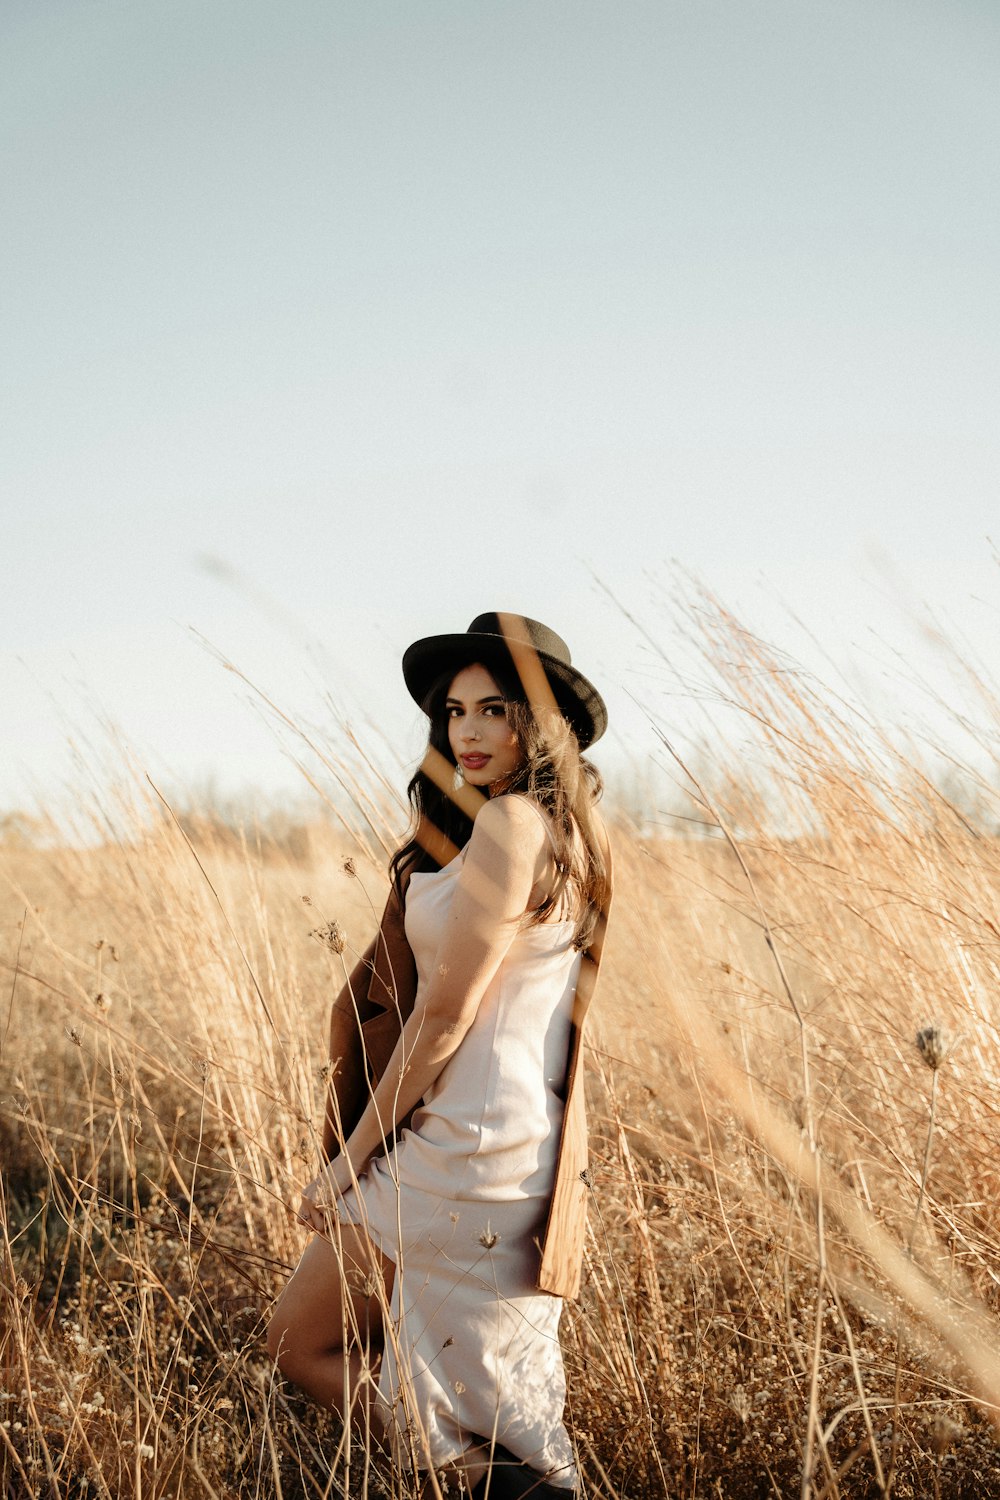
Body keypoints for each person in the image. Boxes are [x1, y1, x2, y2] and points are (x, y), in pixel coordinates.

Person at [267, 612, 613, 1498]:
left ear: (540, 726)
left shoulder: (510, 823)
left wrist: (346, 1165)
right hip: (502, 1146)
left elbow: (448, 1015)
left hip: (458, 1149)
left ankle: (486, 1481)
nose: (468, 731)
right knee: (485, 1406)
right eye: (455, 712)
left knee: (301, 1344)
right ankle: (480, 1478)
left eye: (495, 710)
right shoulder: (573, 836)